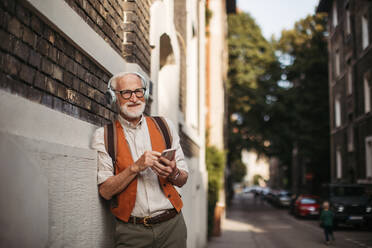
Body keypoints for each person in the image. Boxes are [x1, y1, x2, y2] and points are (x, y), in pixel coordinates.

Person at [91, 72, 188, 248]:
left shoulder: (165, 126)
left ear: (146, 94)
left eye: (138, 91)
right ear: (114, 98)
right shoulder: (104, 136)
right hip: (131, 232)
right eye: (126, 93)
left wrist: (173, 172)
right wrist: (135, 167)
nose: (134, 98)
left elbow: (183, 179)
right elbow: (105, 191)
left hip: (172, 226)